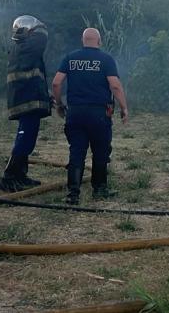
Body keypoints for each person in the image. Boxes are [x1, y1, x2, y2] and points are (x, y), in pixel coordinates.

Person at [51, 27, 129, 205]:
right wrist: (124, 108)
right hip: (99, 114)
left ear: (83, 40)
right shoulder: (106, 59)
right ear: (99, 41)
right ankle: (100, 190)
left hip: (75, 112)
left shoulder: (70, 58)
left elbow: (56, 83)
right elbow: (115, 86)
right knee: (100, 151)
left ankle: (73, 194)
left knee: (76, 151)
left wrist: (60, 105)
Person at [0, 15, 52, 192]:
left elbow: (34, 76)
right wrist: (39, 26)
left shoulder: (21, 48)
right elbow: (43, 35)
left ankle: (20, 176)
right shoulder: (27, 47)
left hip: (28, 98)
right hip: (26, 100)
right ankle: (9, 177)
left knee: (27, 138)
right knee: (24, 139)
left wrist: (46, 95)